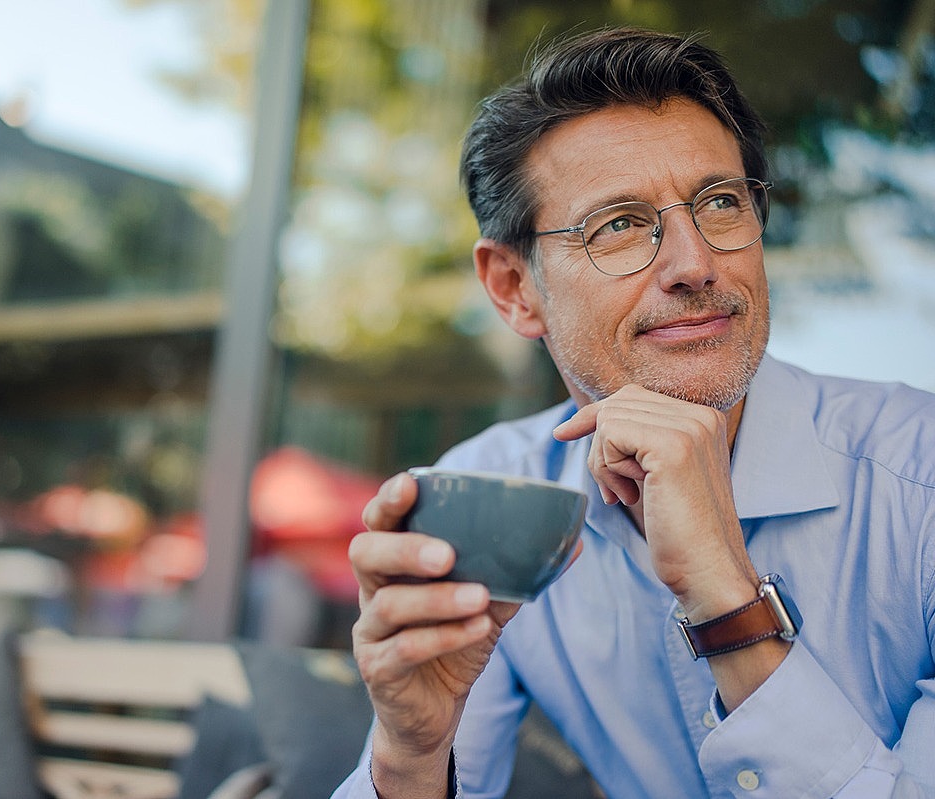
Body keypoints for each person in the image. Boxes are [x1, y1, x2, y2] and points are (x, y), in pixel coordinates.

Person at [333, 27, 935, 799]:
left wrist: (729, 601)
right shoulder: (490, 497)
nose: (695, 265)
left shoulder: (918, 481)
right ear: (516, 288)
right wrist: (411, 753)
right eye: (618, 223)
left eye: (720, 202)